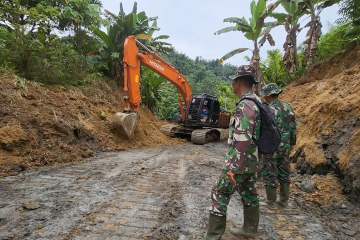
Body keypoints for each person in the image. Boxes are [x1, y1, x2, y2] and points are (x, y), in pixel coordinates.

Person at [202, 65, 262, 239]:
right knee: (249, 191)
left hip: (240, 162)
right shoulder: (257, 102)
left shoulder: (245, 106)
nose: (232, 84)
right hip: (252, 161)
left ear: (239, 81)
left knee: (219, 192)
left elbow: (242, 138)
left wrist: (232, 168)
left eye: (234, 80)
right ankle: (250, 229)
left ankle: (213, 236)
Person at [259, 83, 297, 208]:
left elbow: (263, 130)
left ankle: (271, 201)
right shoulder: (288, 108)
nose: (264, 98)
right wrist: (292, 143)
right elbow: (293, 127)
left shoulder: (268, 110)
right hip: (285, 146)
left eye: (265, 95)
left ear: (269, 95)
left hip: (271, 147)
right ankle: (284, 201)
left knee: (269, 172)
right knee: (284, 173)